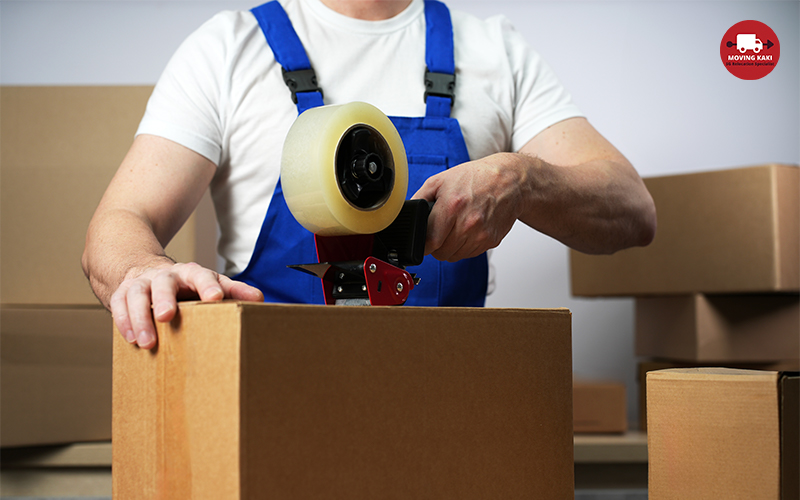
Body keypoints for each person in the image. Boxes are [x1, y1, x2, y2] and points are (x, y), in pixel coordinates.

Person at [82, 0, 656, 350]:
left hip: (459, 413)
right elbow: (122, 219)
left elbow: (632, 209)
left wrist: (523, 179)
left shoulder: (494, 49)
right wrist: (142, 269)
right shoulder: (229, 49)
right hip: (276, 414)